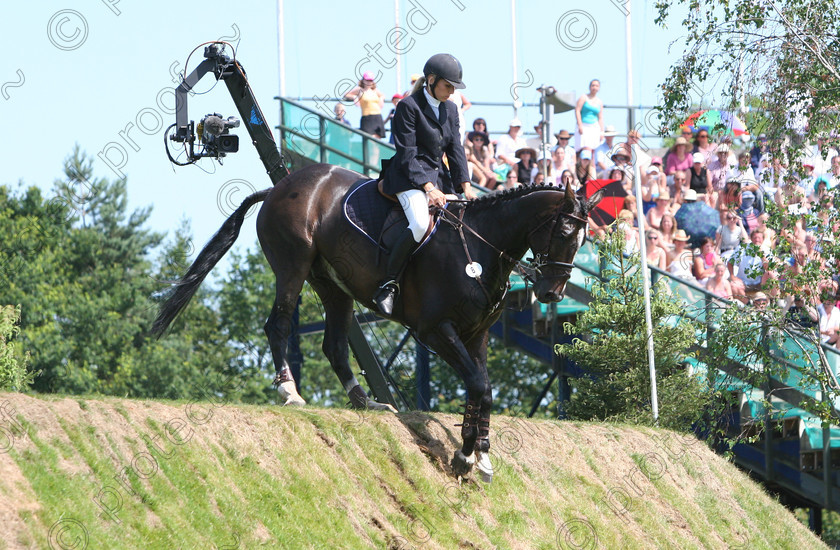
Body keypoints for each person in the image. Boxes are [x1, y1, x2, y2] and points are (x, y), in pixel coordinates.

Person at [374, 54, 476, 316]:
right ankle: (388, 284)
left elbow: (456, 150)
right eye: (448, 86)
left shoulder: (451, 108)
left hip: (440, 178)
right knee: (420, 222)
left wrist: (465, 185)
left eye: (454, 87)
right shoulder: (408, 106)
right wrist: (428, 188)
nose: (452, 92)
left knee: (463, 221)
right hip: (408, 176)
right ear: (431, 81)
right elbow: (407, 154)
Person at [343, 71, 386, 139]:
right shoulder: (359, 90)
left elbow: (382, 95)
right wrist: (354, 97)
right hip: (367, 117)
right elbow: (346, 94)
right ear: (363, 80)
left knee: (377, 141)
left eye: (371, 80)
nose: (369, 82)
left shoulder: (375, 90)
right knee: (369, 140)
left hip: (377, 117)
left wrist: (381, 98)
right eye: (367, 80)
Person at [574, 79, 604, 151]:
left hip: (594, 126)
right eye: (593, 85)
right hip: (584, 125)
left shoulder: (599, 102)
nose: (594, 87)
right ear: (590, 87)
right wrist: (580, 124)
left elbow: (600, 117)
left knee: (594, 148)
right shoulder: (583, 97)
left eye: (596, 86)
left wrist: (602, 131)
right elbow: (577, 110)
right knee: (583, 147)